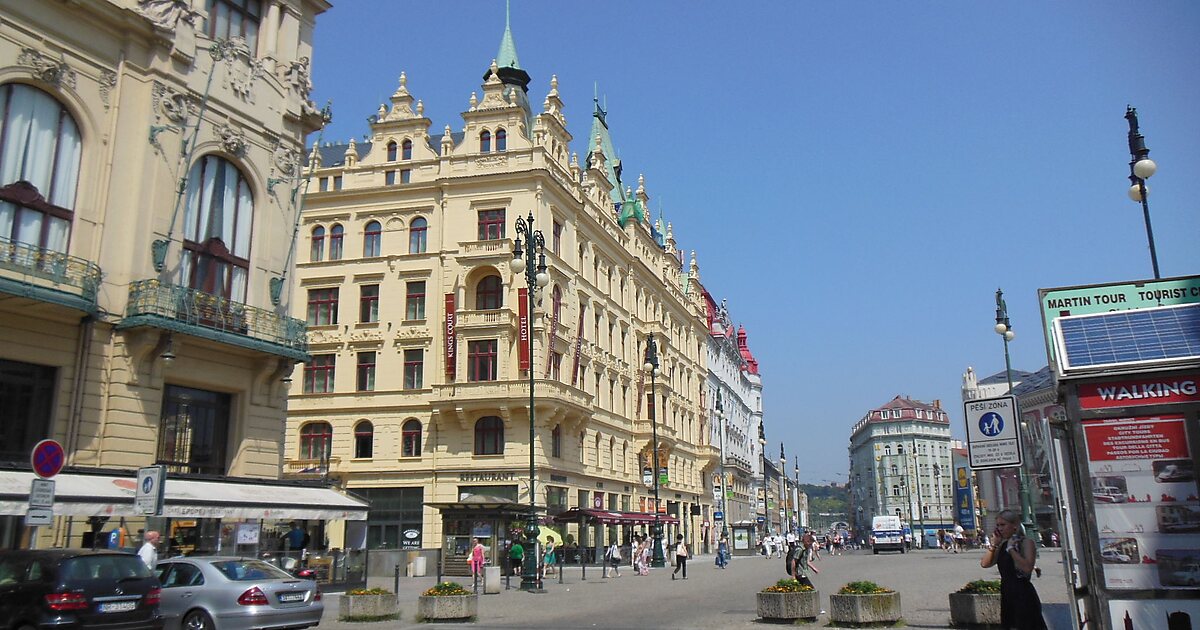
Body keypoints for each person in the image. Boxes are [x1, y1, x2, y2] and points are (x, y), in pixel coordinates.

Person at [981, 510, 1048, 630]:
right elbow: (985, 564)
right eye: (998, 525)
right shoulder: (1002, 545)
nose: (1000, 528)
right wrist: (994, 545)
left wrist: (1012, 549)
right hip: (1007, 592)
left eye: (1003, 525)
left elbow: (1027, 567)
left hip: (1023, 593)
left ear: (1014, 526)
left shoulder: (1027, 543)